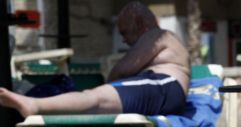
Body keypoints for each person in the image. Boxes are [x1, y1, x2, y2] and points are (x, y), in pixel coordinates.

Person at [0, 2, 190, 118]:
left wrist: (108, 87)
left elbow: (122, 69)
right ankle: (37, 105)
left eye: (124, 32)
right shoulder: (163, 41)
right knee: (95, 100)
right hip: (163, 92)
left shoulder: (157, 35)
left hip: (165, 86)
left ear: (139, 23)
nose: (123, 39)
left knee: (96, 97)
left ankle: (35, 105)